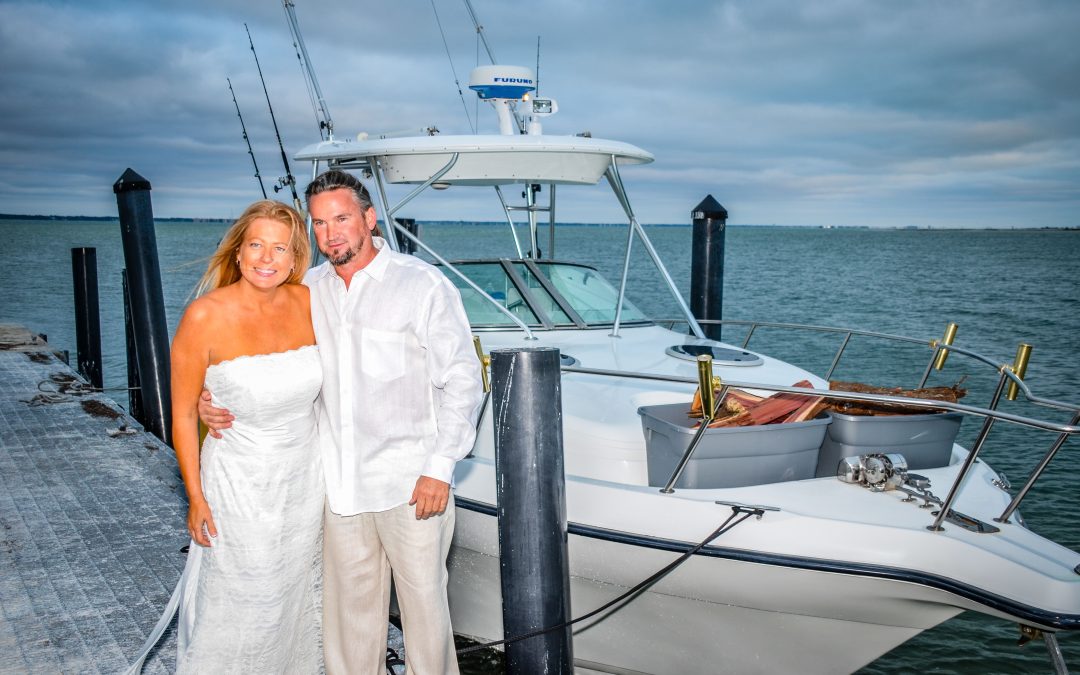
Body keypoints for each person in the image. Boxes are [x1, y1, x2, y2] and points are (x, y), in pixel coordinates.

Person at [201, 170, 483, 674]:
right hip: (340, 489)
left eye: (342, 219)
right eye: (319, 223)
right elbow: (263, 351)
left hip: (411, 485)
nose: (331, 234)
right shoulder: (308, 289)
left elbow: (462, 380)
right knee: (349, 628)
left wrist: (441, 466)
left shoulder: (421, 286)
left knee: (425, 619)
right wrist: (213, 395)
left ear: (369, 220)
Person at [168, 200, 323, 672]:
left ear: (297, 260)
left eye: (280, 248)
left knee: (296, 594)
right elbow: (179, 416)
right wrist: (195, 496)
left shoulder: (312, 303)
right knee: (242, 593)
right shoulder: (204, 317)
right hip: (238, 483)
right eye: (256, 244)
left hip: (306, 481)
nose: (266, 258)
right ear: (238, 253)